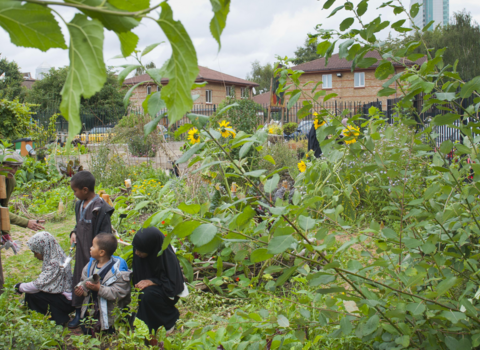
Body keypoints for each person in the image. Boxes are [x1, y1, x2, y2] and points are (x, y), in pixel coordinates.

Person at [69, 171, 114, 328]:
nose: (74, 194)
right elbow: (78, 224)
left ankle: (94, 314)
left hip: (95, 254)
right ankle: (78, 312)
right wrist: (74, 233)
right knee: (78, 280)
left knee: (93, 280)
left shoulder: (100, 208)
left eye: (75, 191)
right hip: (81, 250)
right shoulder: (79, 204)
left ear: (85, 190)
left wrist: (100, 254)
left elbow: (106, 235)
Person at [132, 227, 188, 344]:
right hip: (152, 291)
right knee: (144, 295)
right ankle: (146, 327)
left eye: (140, 250)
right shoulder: (139, 252)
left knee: (147, 295)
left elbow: (173, 285)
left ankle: (169, 319)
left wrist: (153, 281)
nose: (137, 253)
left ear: (151, 247)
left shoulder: (166, 257)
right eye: (136, 249)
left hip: (167, 293)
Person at [0, 150, 45, 292]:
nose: (13, 170)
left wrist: (5, 233)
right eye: (10, 166)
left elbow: (3, 208)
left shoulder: (10, 181)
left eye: (16, 167)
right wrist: (26, 222)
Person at [74, 233, 131, 336]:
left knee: (109, 331)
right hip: (92, 309)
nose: (90, 248)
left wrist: (99, 289)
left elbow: (118, 293)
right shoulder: (90, 265)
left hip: (109, 313)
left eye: (93, 246)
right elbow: (84, 280)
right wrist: (82, 290)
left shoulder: (118, 270)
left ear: (101, 252)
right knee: (87, 329)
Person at [14, 232, 74, 325]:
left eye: (36, 252)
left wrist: (19, 287)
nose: (35, 256)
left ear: (43, 249)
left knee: (33, 295)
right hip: (66, 298)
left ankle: (58, 318)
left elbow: (38, 285)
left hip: (66, 301)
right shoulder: (57, 255)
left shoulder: (55, 263)